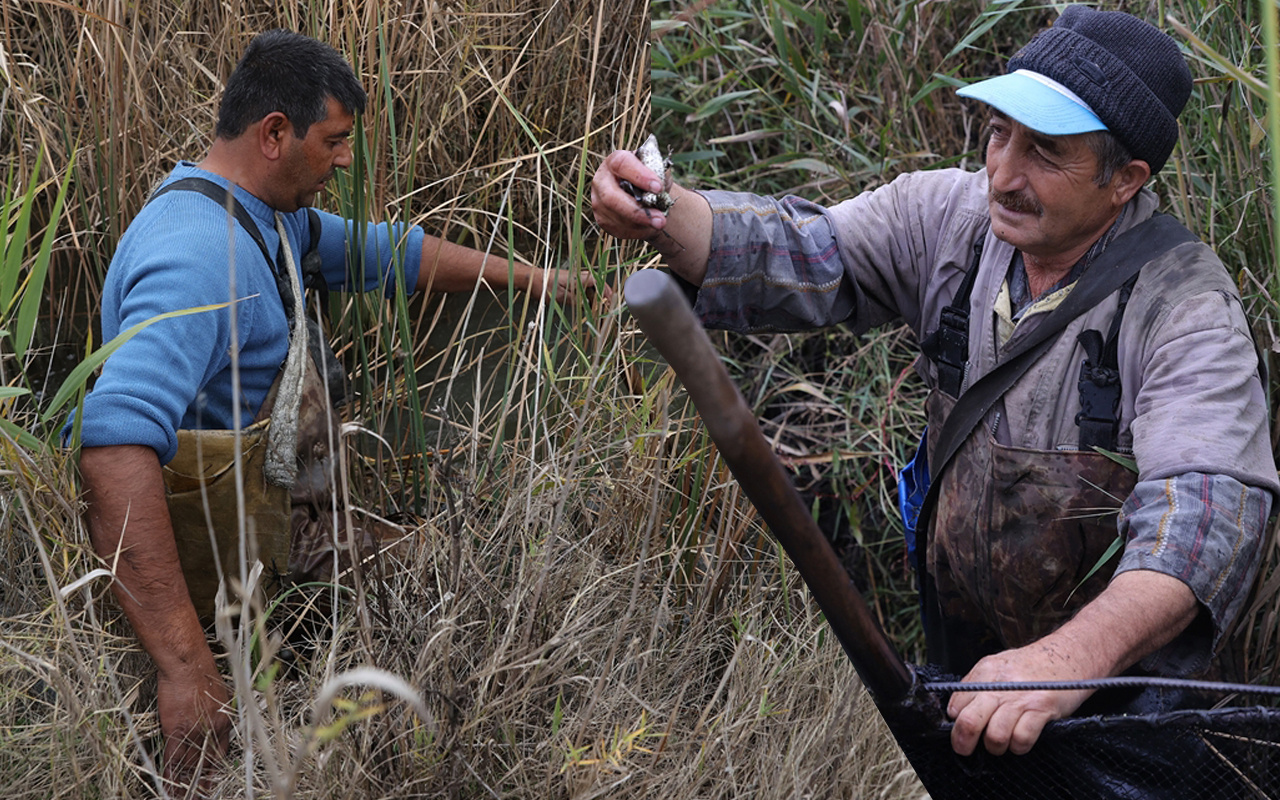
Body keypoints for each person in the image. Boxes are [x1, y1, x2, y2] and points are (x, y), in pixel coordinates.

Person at [593, 5, 1277, 759]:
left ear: (1125, 181)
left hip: (1122, 702)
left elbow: (1208, 516)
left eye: (1045, 152)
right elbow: (805, 250)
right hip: (969, 657)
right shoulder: (947, 219)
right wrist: (661, 211)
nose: (1003, 173)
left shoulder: (1186, 307)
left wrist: (1069, 662)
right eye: (997, 133)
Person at [76, 29, 602, 792]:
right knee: (454, 586)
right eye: (335, 142)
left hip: (271, 505)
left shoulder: (260, 210)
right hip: (232, 555)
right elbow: (110, 446)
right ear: (275, 134)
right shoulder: (198, 261)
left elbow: (392, 254)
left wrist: (541, 281)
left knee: (441, 566)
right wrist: (186, 669)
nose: (346, 161)